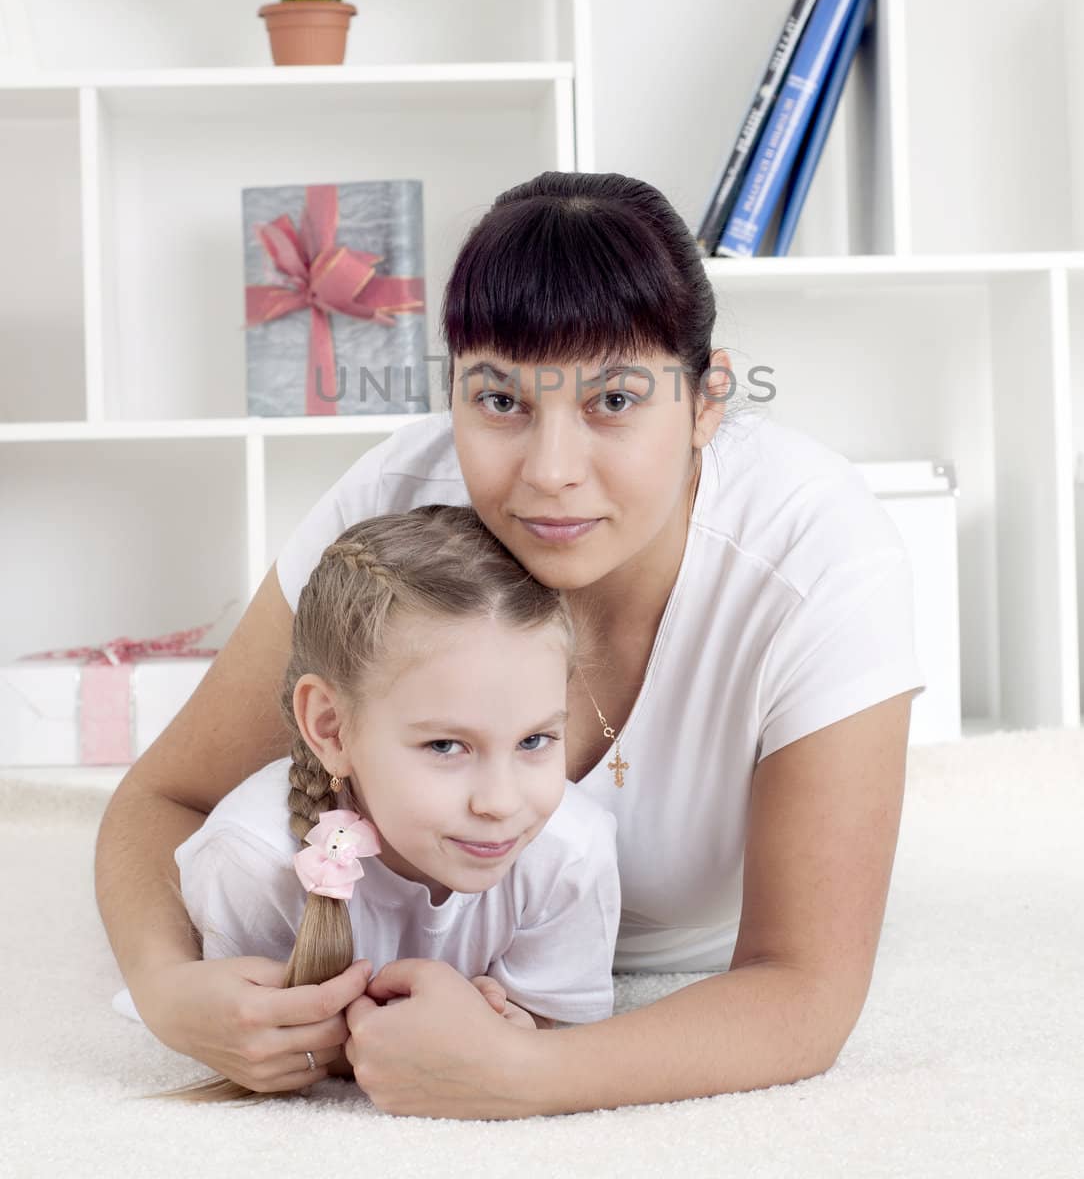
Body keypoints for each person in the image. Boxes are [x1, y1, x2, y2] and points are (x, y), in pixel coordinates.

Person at [95, 170, 927, 1119]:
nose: (551, 471)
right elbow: (163, 798)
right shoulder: (392, 511)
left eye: (615, 400)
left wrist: (525, 1076)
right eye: (499, 402)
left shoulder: (817, 553)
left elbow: (804, 991)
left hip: (678, 980)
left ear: (705, 402)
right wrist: (166, 990)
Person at [110, 504, 621, 1103]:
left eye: (534, 740)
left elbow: (555, 1024)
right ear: (330, 727)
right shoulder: (251, 862)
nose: (501, 802)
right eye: (446, 745)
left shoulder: (571, 850)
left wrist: (517, 1033)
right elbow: (255, 1040)